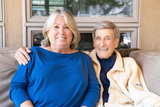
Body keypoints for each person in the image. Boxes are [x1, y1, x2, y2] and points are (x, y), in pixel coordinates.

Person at [14, 19, 160, 107]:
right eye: (98, 38)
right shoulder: (83, 60)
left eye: (107, 38)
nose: (102, 43)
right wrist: (21, 51)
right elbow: (59, 56)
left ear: (116, 42)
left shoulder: (129, 65)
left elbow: (142, 96)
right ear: (93, 41)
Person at [9, 9, 101, 107]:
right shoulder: (32, 54)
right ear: (48, 31)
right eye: (56, 27)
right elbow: (16, 87)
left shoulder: (84, 59)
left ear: (72, 32)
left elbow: (93, 88)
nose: (61, 32)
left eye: (67, 27)